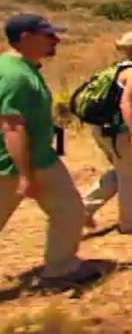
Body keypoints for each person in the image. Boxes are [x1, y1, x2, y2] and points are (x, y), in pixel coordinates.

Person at [0, 14, 97, 283]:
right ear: (26, 39)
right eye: (49, 36)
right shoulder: (15, 76)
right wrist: (24, 174)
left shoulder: (24, 68)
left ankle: (61, 267)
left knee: (70, 209)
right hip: (11, 165)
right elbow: (12, 127)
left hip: (41, 159)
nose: (56, 40)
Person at [82, 31, 132, 234]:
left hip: (102, 129)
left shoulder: (115, 69)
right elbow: (126, 104)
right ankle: (130, 221)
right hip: (119, 131)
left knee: (122, 172)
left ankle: (83, 208)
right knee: (131, 176)